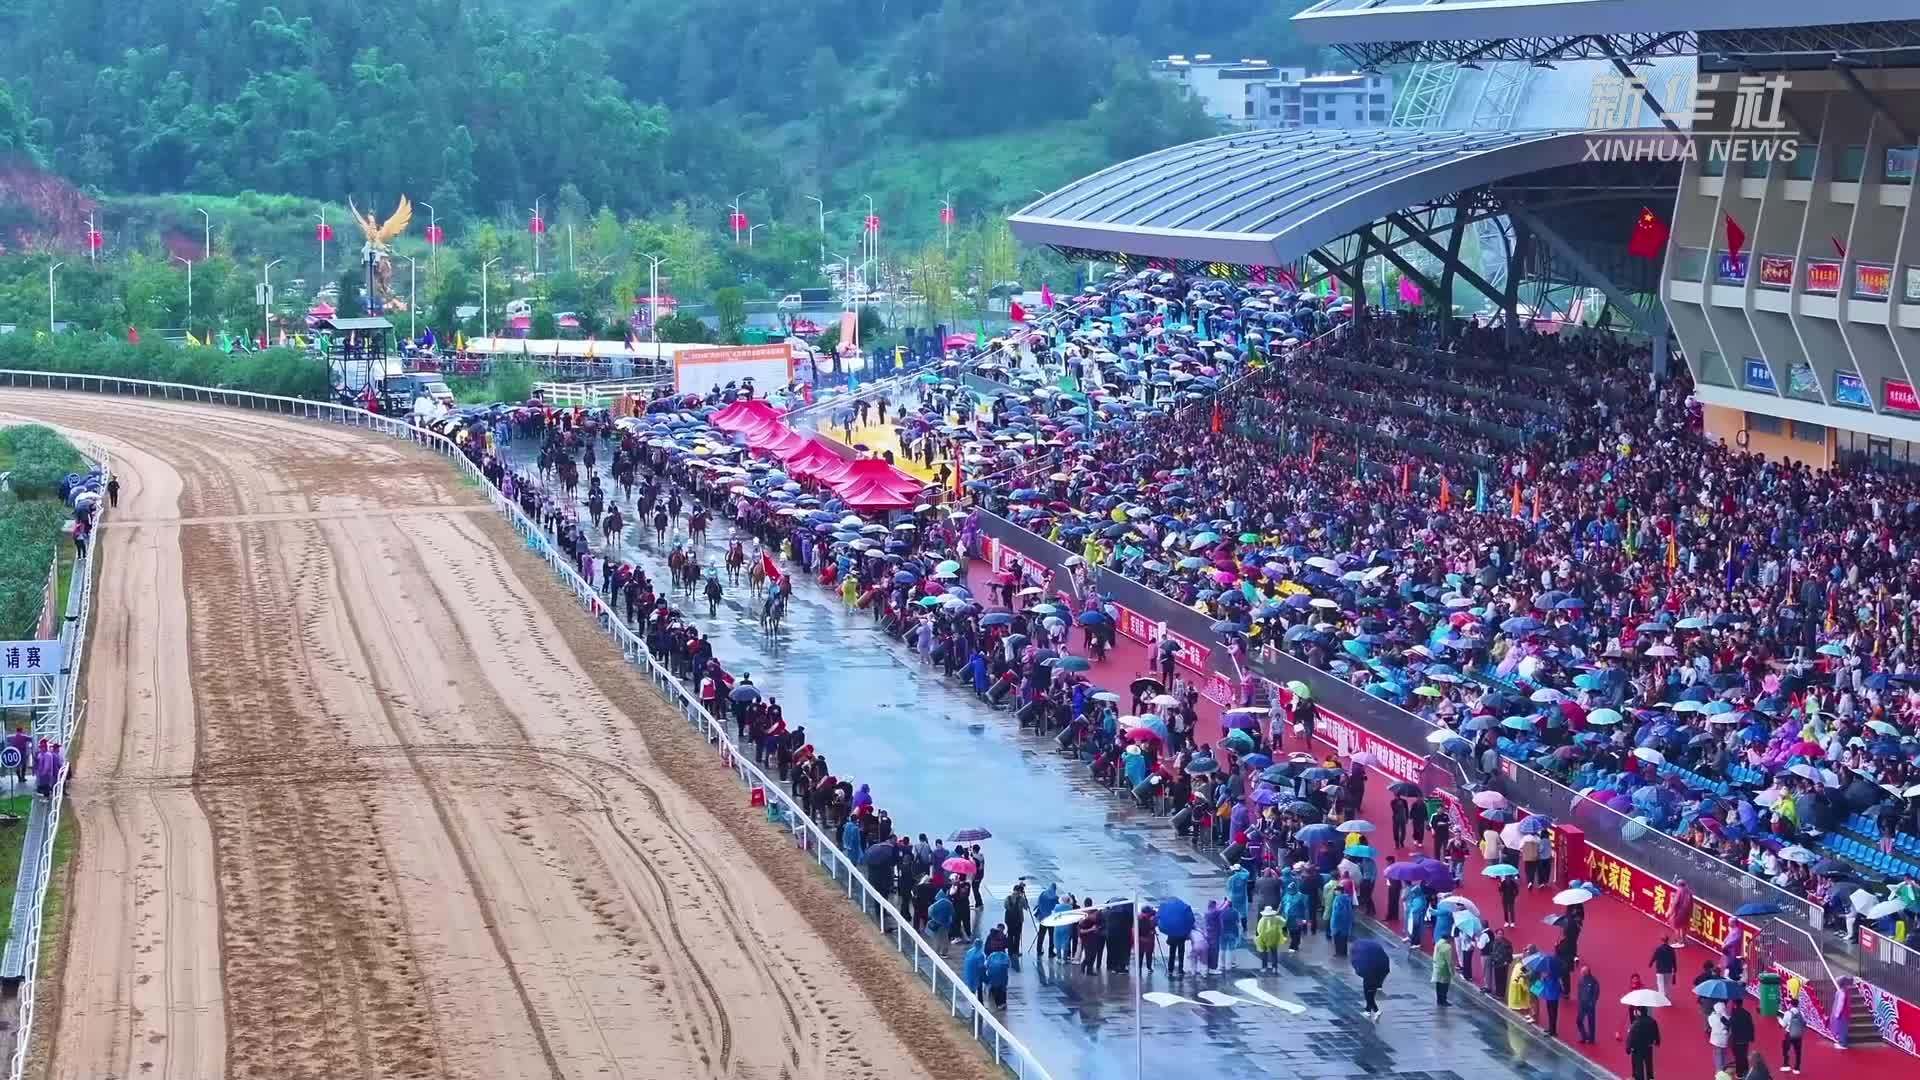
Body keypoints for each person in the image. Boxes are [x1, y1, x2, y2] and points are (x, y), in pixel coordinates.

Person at [1350, 937, 1390, 1021]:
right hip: (1383, 969)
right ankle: (1367, 1010)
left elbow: (1358, 966)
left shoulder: (1359, 953)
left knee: (1368, 992)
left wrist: (1361, 972)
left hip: (1371, 972)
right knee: (1371, 990)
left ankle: (1377, 1011)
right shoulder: (1373, 948)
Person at [1627, 1005, 1662, 1080]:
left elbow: (1631, 1038)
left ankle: (1639, 1078)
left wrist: (1628, 1048)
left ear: (1638, 1012)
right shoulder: (1652, 1021)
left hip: (1638, 1049)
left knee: (1638, 1066)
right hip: (1648, 1046)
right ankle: (1650, 1077)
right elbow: (1656, 1032)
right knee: (1649, 1063)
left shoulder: (1636, 1024)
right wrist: (1657, 1041)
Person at [1004, 883, 1029, 971]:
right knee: (1017, 936)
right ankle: (1016, 951)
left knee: (1010, 935)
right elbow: (1026, 907)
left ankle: (1010, 951)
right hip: (1018, 920)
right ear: (1019, 891)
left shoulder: (1008, 898)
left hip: (1009, 920)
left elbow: (1005, 906)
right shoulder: (1021, 899)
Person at [1729, 998, 1756, 1075]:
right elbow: (1751, 1026)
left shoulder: (1734, 1014)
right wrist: (1751, 1037)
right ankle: (1746, 1070)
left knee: (1738, 1056)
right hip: (1745, 1039)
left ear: (1734, 1004)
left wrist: (1722, 1018)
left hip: (1736, 1039)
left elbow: (1729, 1024)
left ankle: (1739, 1072)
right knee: (1744, 1055)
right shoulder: (1747, 1013)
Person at [1255, 905, 1286, 972]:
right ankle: (1274, 967)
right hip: (1274, 938)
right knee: (1274, 953)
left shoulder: (1262, 920)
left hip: (1264, 939)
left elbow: (1258, 929)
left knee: (1264, 953)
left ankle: (1264, 967)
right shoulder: (1277, 918)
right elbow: (1284, 923)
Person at [1576, 963, 1600, 1044]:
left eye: (1582, 971)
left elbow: (1596, 993)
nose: (1581, 973)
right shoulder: (1581, 980)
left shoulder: (1593, 981)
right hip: (1582, 1005)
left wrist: (1592, 1003)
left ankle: (1591, 1039)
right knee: (1579, 1021)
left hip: (1590, 1005)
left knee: (1591, 1022)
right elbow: (1579, 992)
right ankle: (1585, 1036)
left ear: (1587, 972)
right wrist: (1579, 1001)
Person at [1780, 997, 1805, 1073]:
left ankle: (1786, 1065)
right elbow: (1804, 1023)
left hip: (1789, 1034)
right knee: (1798, 1051)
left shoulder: (1788, 1013)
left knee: (1786, 1049)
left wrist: (1779, 1020)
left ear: (1790, 1004)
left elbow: (1783, 1024)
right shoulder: (1801, 1013)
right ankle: (1797, 1068)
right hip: (1798, 1035)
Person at [1431, 935, 1455, 1006]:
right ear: (1448, 939)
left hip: (1437, 966)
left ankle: (1439, 1000)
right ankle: (1443, 1001)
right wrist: (1452, 971)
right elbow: (1449, 960)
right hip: (1444, 969)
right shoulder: (1447, 947)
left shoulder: (1438, 944)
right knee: (1444, 986)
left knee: (1438, 984)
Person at [1709, 1001, 1733, 1072]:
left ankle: (1719, 1070)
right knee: (1724, 1054)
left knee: (1717, 1054)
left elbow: (1711, 1025)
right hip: (1724, 1039)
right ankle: (1725, 1068)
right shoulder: (1726, 1017)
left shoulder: (1713, 1017)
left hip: (1715, 1040)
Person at [985, 944, 1011, 1008]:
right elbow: (1008, 965)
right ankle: (1003, 1002)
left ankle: (998, 1004)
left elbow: (986, 965)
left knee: (995, 989)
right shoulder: (1005, 956)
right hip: (1003, 977)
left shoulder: (991, 956)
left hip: (993, 977)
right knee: (1003, 989)